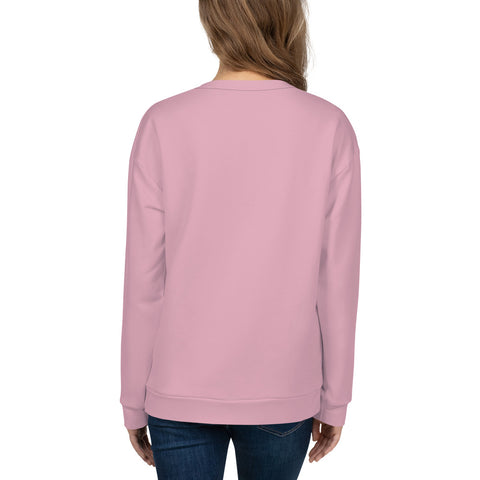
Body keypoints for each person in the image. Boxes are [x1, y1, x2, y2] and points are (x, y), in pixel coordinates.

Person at [119, 0, 361, 478]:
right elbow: (337, 279)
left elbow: (144, 277)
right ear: (288, 19)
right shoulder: (328, 125)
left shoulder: (164, 122)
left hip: (179, 388)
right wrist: (335, 398)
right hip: (283, 388)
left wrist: (132, 399)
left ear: (212, 20)